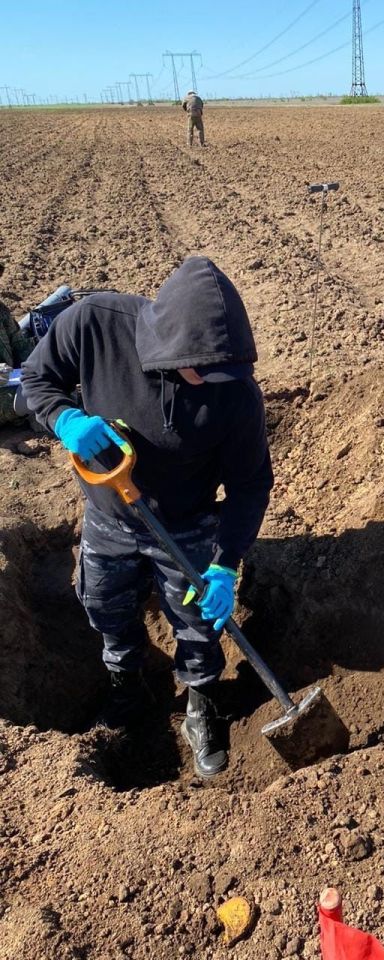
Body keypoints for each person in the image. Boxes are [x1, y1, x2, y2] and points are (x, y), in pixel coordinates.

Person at [21, 256, 274, 778]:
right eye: (202, 369)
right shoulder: (95, 324)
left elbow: (250, 486)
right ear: (171, 345)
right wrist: (64, 417)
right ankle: (126, 682)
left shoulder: (235, 393)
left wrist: (226, 564)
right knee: (103, 604)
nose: (211, 382)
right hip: (109, 514)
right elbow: (35, 381)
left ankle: (201, 698)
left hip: (186, 522)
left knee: (200, 621)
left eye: (225, 371)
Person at [0, 295, 34, 427]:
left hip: (11, 381)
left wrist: (38, 367)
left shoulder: (1, 310)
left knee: (53, 382)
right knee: (32, 397)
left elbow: (21, 345)